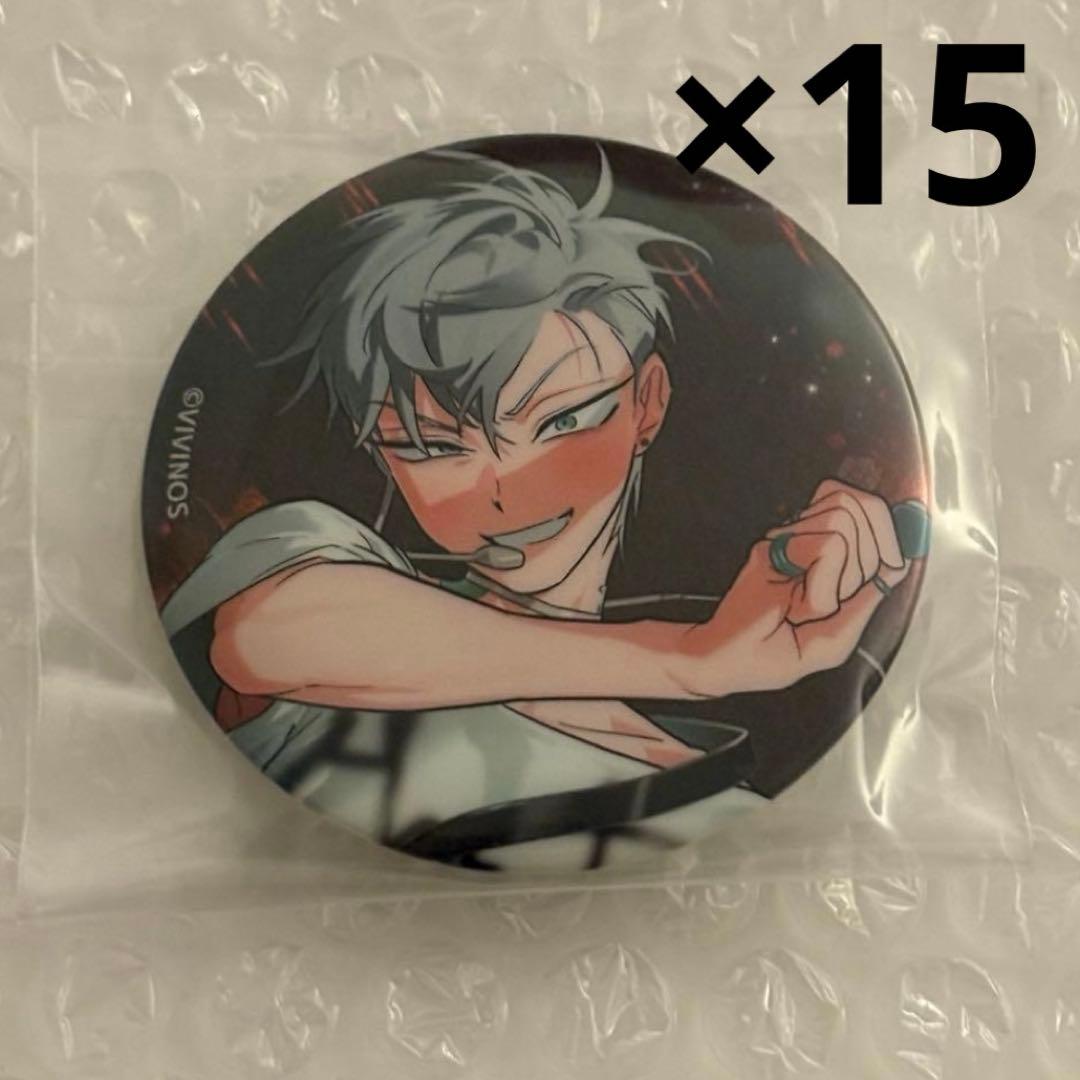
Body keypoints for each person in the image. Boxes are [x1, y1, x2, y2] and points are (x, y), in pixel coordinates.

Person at [162, 148, 910, 870]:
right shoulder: (321, 575)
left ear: (648, 403)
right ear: (382, 455)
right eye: (431, 447)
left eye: (564, 421)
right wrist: (692, 659)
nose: (503, 493)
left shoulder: (709, 785)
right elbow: (257, 641)